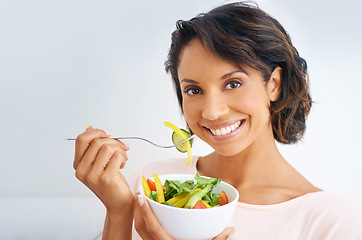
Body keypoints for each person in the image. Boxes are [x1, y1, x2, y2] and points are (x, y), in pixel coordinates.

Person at [72, 2, 362, 239]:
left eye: (233, 83)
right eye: (194, 90)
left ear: (273, 84)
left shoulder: (332, 220)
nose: (211, 112)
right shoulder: (153, 185)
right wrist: (119, 211)